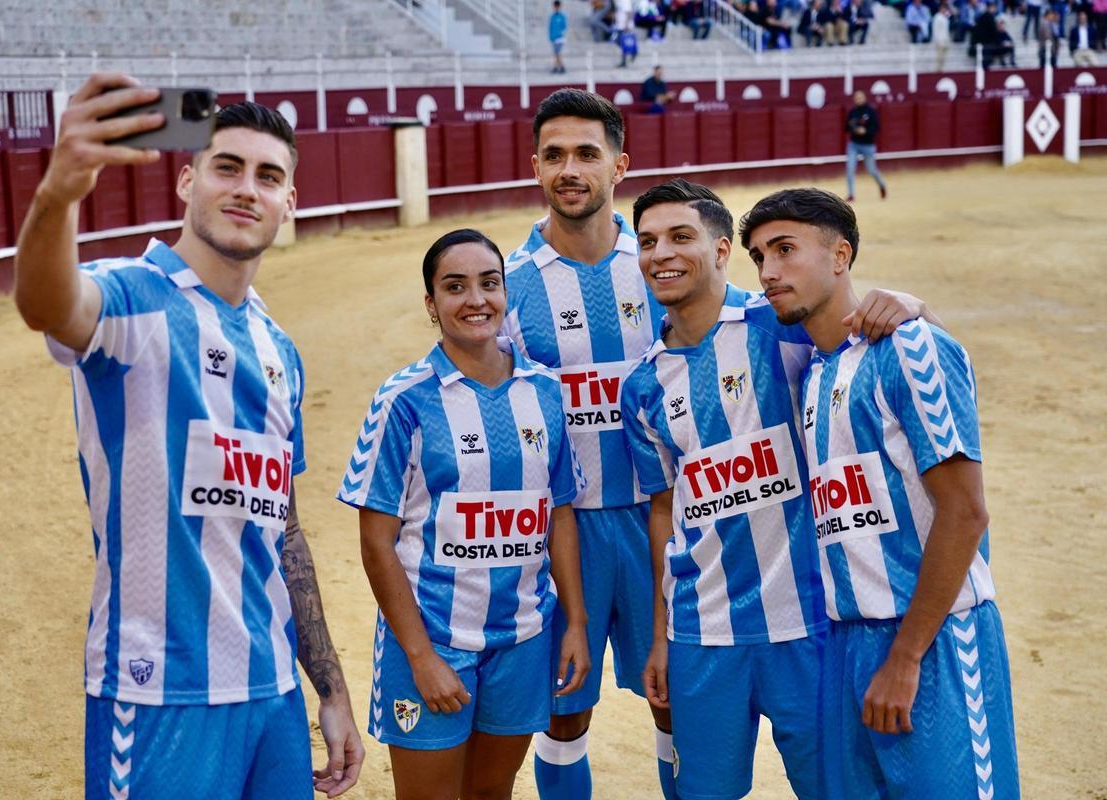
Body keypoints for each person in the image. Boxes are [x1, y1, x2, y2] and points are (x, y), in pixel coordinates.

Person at [11, 73, 364, 799]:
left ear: (289, 202)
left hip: (271, 693)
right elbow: (47, 303)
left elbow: (284, 532)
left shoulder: (278, 348)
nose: (247, 189)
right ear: (186, 180)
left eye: (269, 177)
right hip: (157, 690)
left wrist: (327, 686)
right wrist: (58, 194)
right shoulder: (131, 300)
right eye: (226, 167)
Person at [621, 179, 933, 800]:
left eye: (681, 236)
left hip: (808, 623)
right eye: (648, 241)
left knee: (836, 790)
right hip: (701, 631)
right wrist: (659, 636)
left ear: (719, 251)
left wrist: (910, 303)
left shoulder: (783, 325)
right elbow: (664, 510)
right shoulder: (643, 388)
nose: (662, 253)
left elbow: (883, 337)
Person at [742, 187, 1020, 800]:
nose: (768, 271)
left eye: (786, 249)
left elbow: (966, 511)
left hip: (937, 643)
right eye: (759, 256)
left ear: (841, 254)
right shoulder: (812, 372)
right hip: (845, 642)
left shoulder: (910, 347)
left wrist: (906, 656)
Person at [338, 229, 590, 800]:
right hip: (431, 639)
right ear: (432, 304)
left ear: (506, 292)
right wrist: (421, 657)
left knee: (491, 793)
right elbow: (377, 542)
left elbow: (559, 515)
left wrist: (574, 621)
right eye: (455, 287)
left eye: (489, 283)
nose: (476, 299)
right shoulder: (404, 399)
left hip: (523, 637)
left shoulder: (546, 391)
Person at [503, 88, 672, 800]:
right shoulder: (504, 285)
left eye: (586, 154)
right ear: (536, 167)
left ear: (620, 165)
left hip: (660, 521)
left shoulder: (666, 264)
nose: (569, 169)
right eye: (554, 155)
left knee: (679, 700)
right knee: (565, 712)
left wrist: (904, 308)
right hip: (559, 533)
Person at [845, 90, 887, 203]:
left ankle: (882, 185)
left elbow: (876, 128)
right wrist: (854, 129)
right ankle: (851, 194)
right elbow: (846, 128)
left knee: (872, 170)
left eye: (860, 97)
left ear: (864, 98)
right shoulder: (852, 112)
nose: (858, 99)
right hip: (854, 144)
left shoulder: (871, 111)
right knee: (850, 168)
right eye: (856, 97)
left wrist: (865, 131)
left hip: (868, 145)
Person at [550, 0, 569, 74]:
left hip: (559, 38)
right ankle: (559, 66)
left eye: (557, 7)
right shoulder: (552, 17)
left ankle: (558, 66)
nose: (556, 8)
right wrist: (551, 37)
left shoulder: (562, 16)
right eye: (555, 7)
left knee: (557, 52)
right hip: (554, 38)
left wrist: (560, 34)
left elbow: (564, 27)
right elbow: (550, 28)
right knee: (556, 53)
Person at [932, 3, 953, 69]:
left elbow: (951, 15)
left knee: (943, 58)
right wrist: (937, 41)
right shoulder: (937, 17)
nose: (944, 10)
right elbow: (935, 30)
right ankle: (937, 71)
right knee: (939, 58)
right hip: (939, 41)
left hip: (945, 40)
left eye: (945, 9)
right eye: (943, 8)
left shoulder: (945, 17)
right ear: (940, 9)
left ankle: (940, 70)